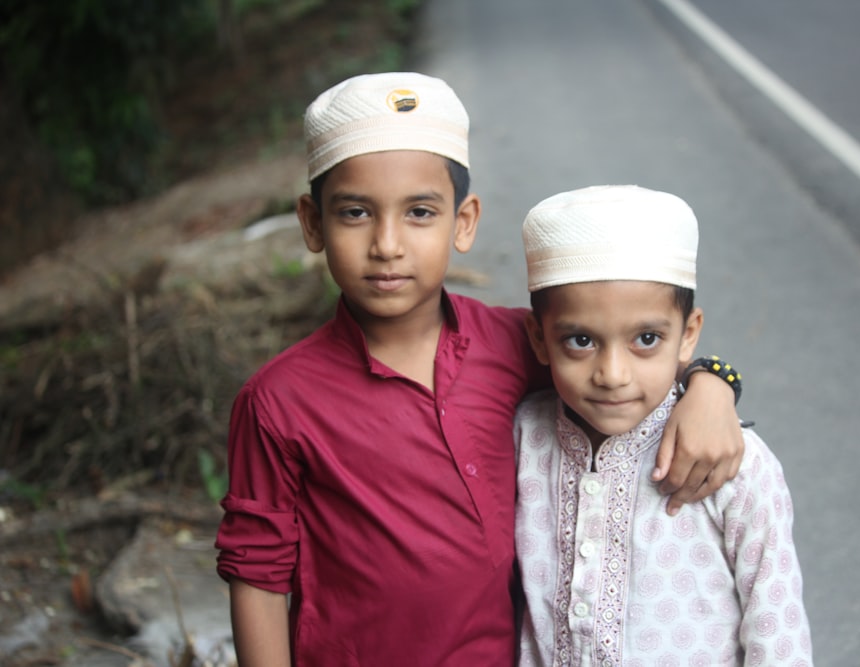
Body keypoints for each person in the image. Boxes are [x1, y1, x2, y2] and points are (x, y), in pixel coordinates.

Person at [215, 73, 745, 666]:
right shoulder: (278, 401)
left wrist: (711, 383)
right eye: (356, 213)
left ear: (463, 222)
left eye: (419, 212)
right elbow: (258, 575)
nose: (387, 244)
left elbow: (623, 366)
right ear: (313, 224)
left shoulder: (515, 344)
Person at [515, 185, 812, 665]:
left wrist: (716, 380)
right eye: (581, 340)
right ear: (540, 338)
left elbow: (776, 627)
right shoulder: (522, 441)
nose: (613, 373)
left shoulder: (736, 464)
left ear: (688, 333)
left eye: (646, 338)